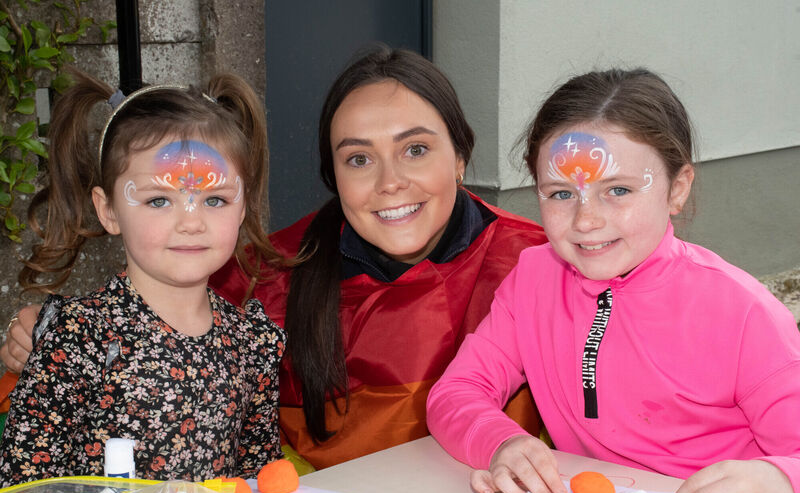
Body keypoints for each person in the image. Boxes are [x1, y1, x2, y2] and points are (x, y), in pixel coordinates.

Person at [0, 48, 548, 471]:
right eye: (359, 158)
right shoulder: (269, 273)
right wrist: (50, 332)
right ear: (333, 178)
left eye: (416, 149)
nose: (390, 182)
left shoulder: (541, 265)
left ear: (460, 155)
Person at [426, 68, 800, 493]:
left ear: (676, 189)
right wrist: (501, 441)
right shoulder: (532, 281)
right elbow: (456, 392)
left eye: (617, 190)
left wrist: (784, 484)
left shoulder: (743, 313)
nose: (585, 220)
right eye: (561, 194)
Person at [0, 70, 286, 485]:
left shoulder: (251, 341)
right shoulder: (80, 337)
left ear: (243, 206)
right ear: (109, 209)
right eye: (158, 200)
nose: (191, 223)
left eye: (215, 199)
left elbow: (262, 481)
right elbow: (24, 485)